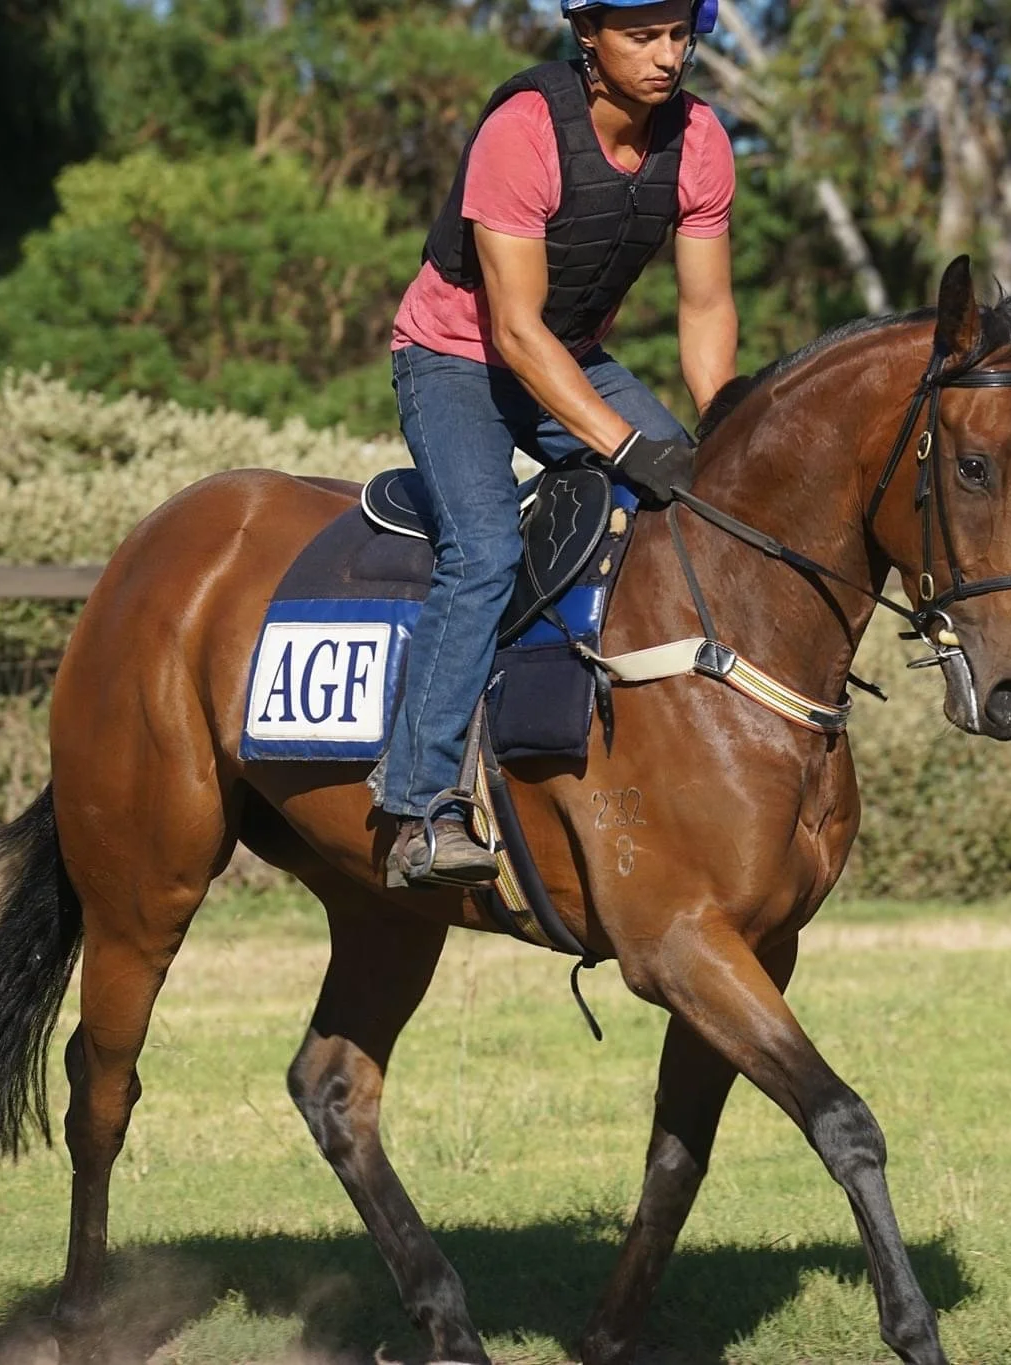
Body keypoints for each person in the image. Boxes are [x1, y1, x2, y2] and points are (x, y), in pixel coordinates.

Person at [379, 0, 739, 887]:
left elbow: (706, 309)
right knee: (486, 548)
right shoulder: (521, 131)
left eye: (677, 35)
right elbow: (513, 330)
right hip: (456, 360)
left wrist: (719, 429)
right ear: (588, 36)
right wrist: (622, 445)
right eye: (640, 36)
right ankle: (420, 809)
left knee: (696, 499)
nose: (666, 57)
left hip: (569, 355)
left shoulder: (700, 142)